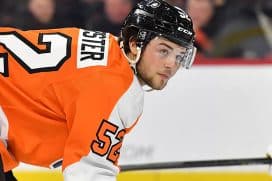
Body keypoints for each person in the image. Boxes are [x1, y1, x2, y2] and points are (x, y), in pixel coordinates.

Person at [0, 0, 196, 180]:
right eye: (164, 50)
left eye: (180, 55)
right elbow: (87, 173)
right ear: (135, 44)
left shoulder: (111, 54)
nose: (172, 64)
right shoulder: (115, 85)